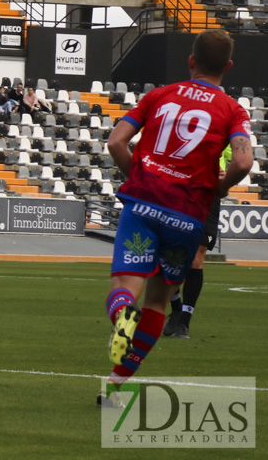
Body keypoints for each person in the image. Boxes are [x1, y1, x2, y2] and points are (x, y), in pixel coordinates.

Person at [102, 29, 252, 395]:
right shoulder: (233, 110)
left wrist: (139, 175)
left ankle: (123, 317)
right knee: (158, 301)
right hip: (187, 214)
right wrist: (220, 187)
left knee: (126, 288)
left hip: (145, 203)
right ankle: (115, 386)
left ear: (191, 61)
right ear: (228, 67)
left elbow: (116, 142)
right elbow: (244, 161)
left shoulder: (159, 95)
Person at [163, 145, 231, 340]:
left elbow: (239, 157)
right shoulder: (186, 121)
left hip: (210, 195)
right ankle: (176, 309)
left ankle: (184, 322)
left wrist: (227, 174)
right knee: (171, 257)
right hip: (182, 190)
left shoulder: (225, 125)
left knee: (196, 258)